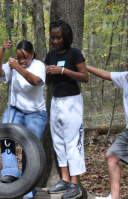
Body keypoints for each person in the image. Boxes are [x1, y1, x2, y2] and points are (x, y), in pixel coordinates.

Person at [84, 49, 128, 199]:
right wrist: (83, 65)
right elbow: (105, 74)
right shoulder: (125, 76)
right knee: (111, 156)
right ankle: (114, 197)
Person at [0, 38, 47, 199]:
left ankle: (27, 187)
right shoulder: (13, 63)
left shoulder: (38, 66)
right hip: (15, 108)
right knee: (5, 136)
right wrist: (2, 50)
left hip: (36, 113)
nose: (22, 61)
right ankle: (11, 174)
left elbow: (35, 81)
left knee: (30, 149)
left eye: (25, 58)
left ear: (32, 54)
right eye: (19, 58)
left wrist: (17, 67)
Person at [45, 20, 89, 199]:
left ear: (66, 37)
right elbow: (48, 82)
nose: (55, 41)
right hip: (56, 101)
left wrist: (63, 71)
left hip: (72, 102)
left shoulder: (75, 54)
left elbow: (84, 77)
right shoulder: (50, 55)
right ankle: (64, 180)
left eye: (59, 37)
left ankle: (75, 183)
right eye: (53, 37)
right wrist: (48, 73)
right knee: (58, 142)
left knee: (73, 143)